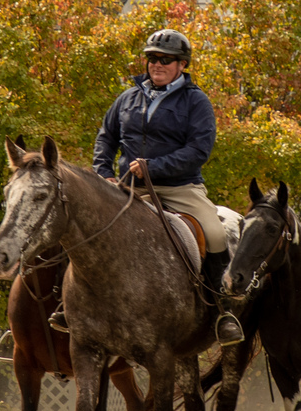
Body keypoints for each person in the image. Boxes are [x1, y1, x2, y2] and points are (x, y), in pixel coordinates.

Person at [91, 28, 244, 345]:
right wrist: (103, 172)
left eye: (166, 59)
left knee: (215, 235)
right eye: (151, 58)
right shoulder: (127, 98)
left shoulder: (196, 102)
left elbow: (198, 150)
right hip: (129, 187)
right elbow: (106, 138)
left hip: (180, 187)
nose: (156, 64)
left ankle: (223, 312)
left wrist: (154, 168)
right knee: (85, 225)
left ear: (182, 64)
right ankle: (71, 306)